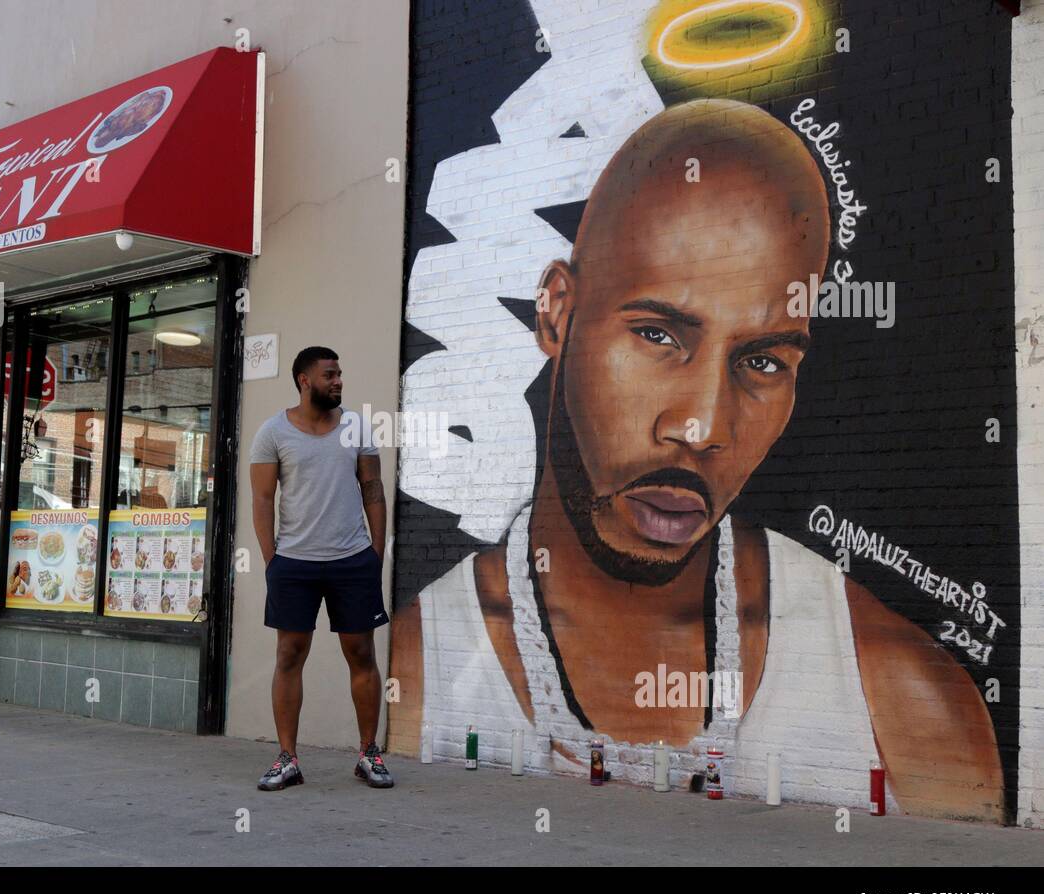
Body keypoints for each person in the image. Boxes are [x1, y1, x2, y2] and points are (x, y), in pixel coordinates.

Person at [390, 99, 1004, 822]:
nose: (703, 426)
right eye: (657, 335)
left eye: (764, 360)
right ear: (556, 311)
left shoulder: (902, 698)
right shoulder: (419, 671)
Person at [250, 346, 393, 790]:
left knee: (362, 655)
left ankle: (369, 754)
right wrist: (272, 559)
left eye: (340, 374)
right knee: (289, 655)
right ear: (304, 380)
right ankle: (287, 758)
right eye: (329, 374)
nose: (338, 381)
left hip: (352, 560)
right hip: (294, 562)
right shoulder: (272, 432)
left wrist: (375, 553)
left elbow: (373, 489)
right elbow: (261, 498)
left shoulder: (356, 427)